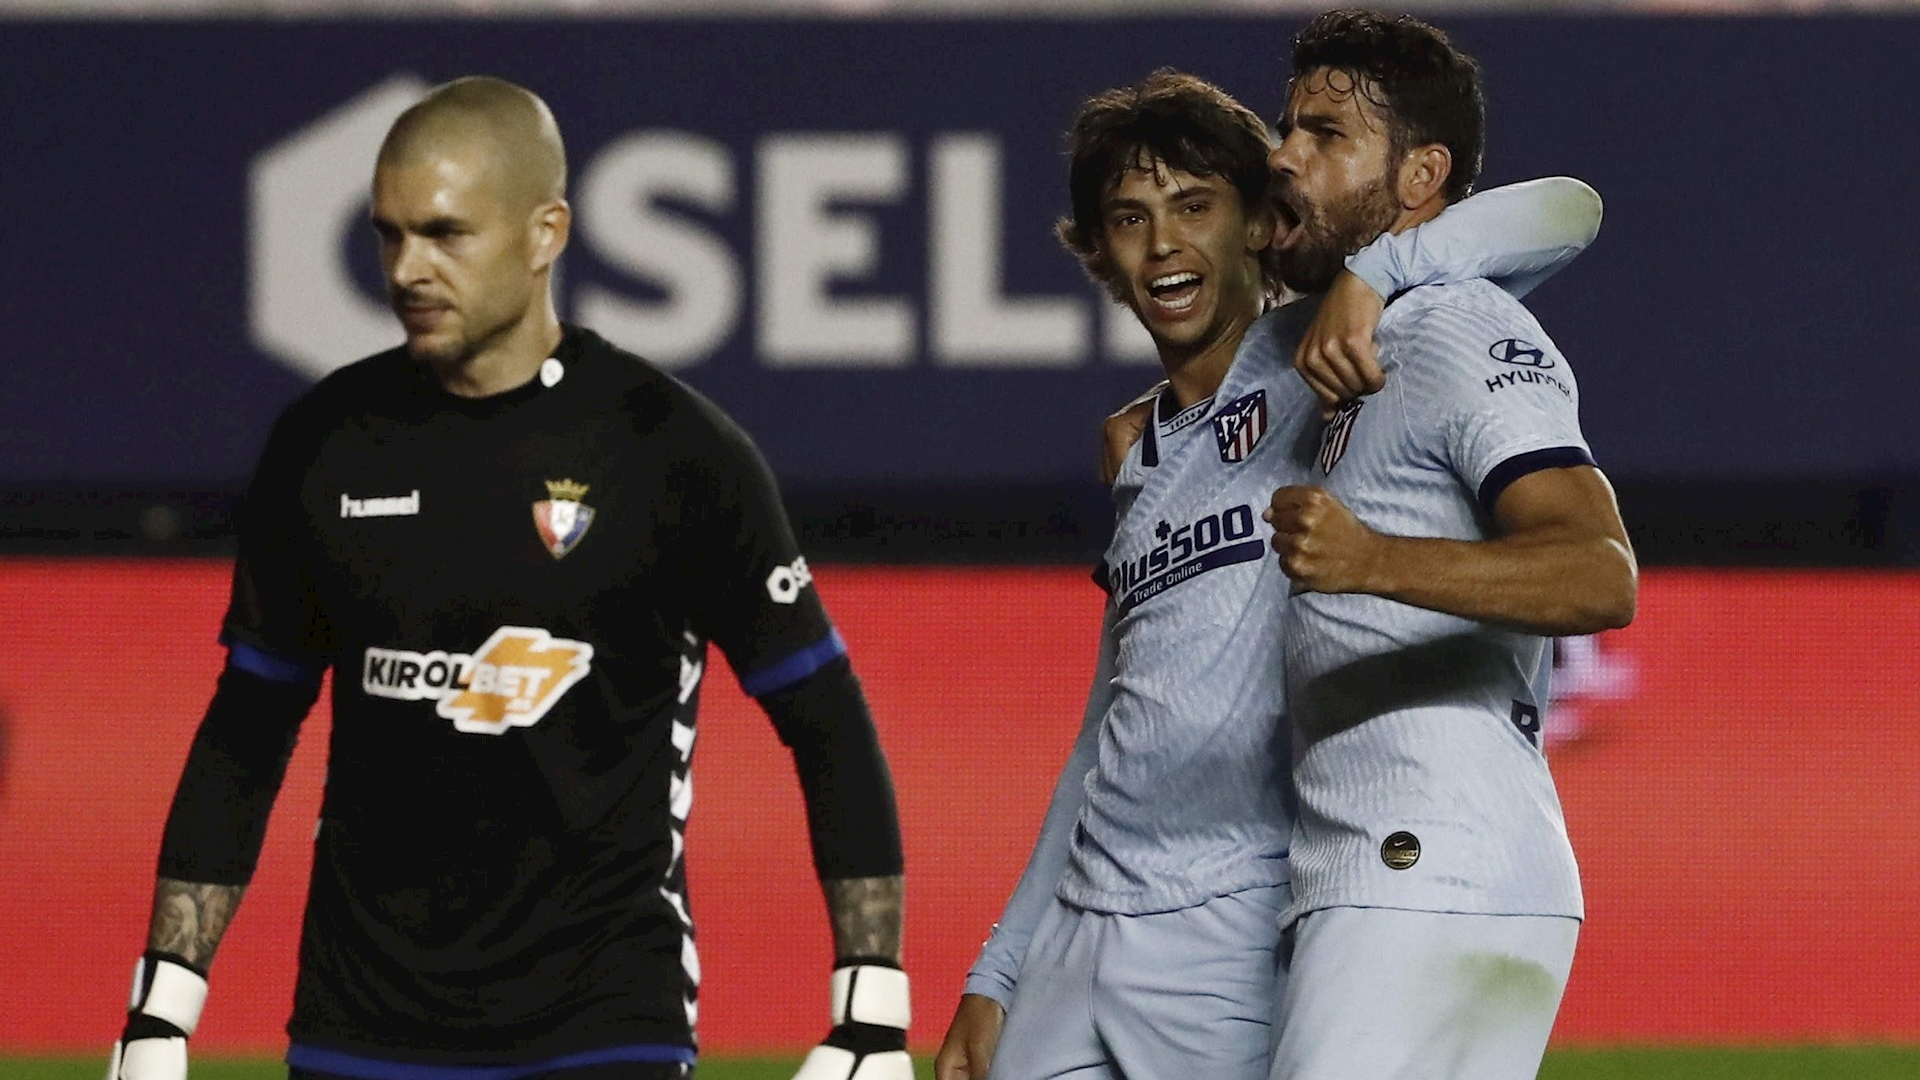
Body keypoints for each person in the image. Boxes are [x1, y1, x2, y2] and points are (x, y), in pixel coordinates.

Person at [107, 77, 910, 1080]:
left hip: (606, 1025)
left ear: (547, 233)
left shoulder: (674, 451)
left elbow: (823, 713)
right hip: (358, 1034)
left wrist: (872, 1007)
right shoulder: (324, 445)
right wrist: (160, 1013)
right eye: (390, 236)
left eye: (446, 233)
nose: (409, 269)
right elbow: (246, 730)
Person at [933, 67, 1603, 1080]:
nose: (1162, 244)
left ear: (1261, 225)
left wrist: (1377, 273)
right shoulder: (1136, 452)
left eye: (1195, 207)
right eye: (1128, 218)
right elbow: (1107, 731)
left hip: (1235, 928)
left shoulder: (1329, 360)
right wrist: (1000, 966)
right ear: (1101, 256)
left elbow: (1567, 212)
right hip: (1080, 931)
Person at [1259, 11, 1636, 1079]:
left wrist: (1374, 562)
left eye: (1326, 134)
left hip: (1422, 866)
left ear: (1422, 174)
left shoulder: (1456, 324)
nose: (1286, 153)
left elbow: (1599, 571)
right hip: (1390, 872)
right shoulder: (1333, 346)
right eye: (1288, 128)